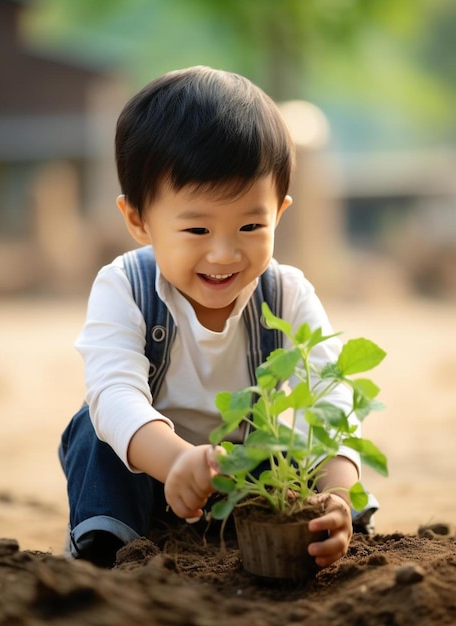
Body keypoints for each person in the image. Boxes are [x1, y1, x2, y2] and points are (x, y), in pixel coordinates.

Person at [60, 65, 364, 569]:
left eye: (250, 225)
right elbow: (114, 393)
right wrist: (177, 459)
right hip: (151, 475)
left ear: (279, 214)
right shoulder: (126, 288)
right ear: (139, 220)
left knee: (310, 451)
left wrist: (337, 493)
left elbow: (331, 397)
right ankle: (109, 546)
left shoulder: (286, 293)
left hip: (244, 476)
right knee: (95, 432)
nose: (224, 254)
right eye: (197, 230)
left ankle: (330, 526)